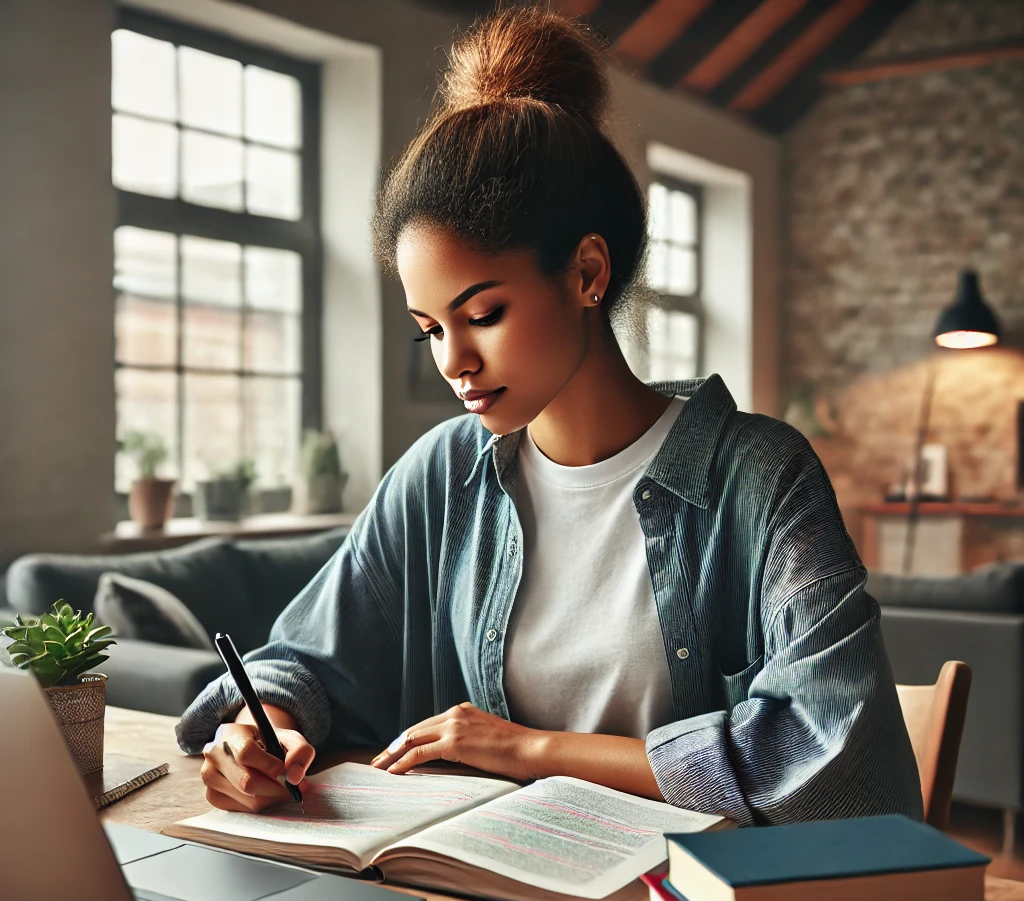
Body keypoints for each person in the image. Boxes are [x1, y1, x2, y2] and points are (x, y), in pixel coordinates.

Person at [177, 7, 922, 828]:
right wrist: (260, 728)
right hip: (490, 894)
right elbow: (308, 660)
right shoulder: (440, 474)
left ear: (587, 272)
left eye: (483, 314)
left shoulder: (759, 477)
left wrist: (529, 749)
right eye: (430, 329)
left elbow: (836, 754)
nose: (452, 360)